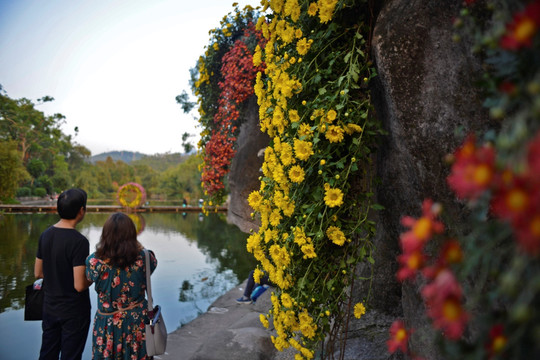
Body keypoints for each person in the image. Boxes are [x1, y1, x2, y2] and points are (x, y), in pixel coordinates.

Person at [86, 212, 157, 359]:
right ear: (132, 234)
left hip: (107, 324)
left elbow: (88, 279)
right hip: (137, 322)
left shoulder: (94, 261)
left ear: (105, 234)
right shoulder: (145, 257)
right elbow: (151, 266)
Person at [34, 188, 92, 360]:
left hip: (50, 307)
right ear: (81, 211)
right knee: (71, 356)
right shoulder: (79, 241)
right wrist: (93, 277)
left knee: (47, 353)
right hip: (74, 312)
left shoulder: (45, 235)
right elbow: (79, 285)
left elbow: (38, 272)